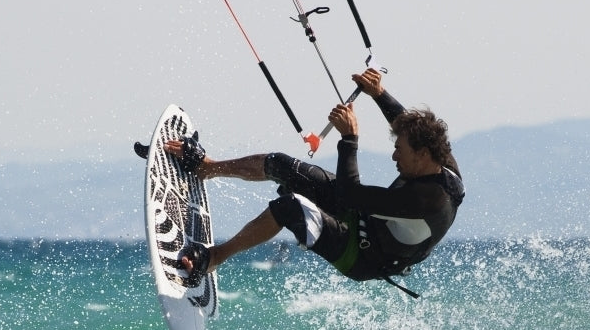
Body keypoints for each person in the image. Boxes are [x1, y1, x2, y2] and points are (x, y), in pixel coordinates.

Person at [159, 68, 464, 296]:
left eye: (400, 150)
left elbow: (349, 196)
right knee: (281, 164)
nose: (394, 156)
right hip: (366, 218)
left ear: (423, 154)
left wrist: (349, 138)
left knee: (289, 208)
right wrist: (379, 94)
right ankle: (206, 168)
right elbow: (404, 123)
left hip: (362, 255)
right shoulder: (441, 160)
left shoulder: (428, 202)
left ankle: (214, 257)